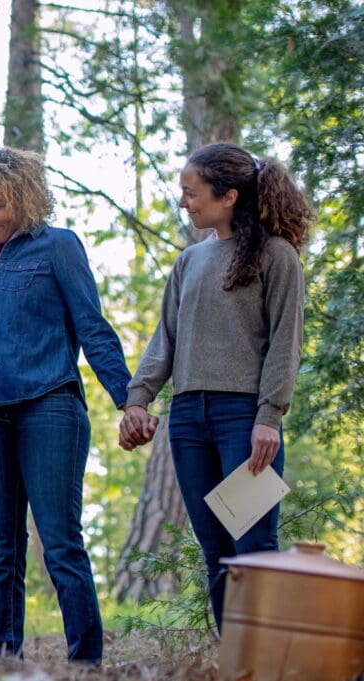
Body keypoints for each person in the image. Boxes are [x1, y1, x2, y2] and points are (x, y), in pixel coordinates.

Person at [119, 142, 309, 632]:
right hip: (187, 421)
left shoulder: (278, 256)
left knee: (254, 548)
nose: (184, 202)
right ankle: (232, 661)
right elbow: (165, 340)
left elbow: (285, 344)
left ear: (228, 196)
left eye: (191, 192)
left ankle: (266, 659)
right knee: (216, 553)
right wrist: (137, 399)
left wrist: (269, 418)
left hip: (243, 421)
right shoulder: (189, 262)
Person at [0, 147, 131, 663]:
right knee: (0, 551)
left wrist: (130, 398)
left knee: (59, 544)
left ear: (24, 197)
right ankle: (1, 659)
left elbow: (93, 328)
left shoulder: (58, 247)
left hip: (48, 409)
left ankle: (86, 661)